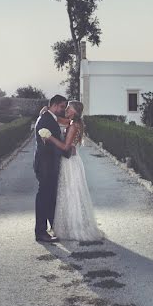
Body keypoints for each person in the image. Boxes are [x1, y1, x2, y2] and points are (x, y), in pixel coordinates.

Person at [44, 100, 103, 241]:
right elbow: (58, 119)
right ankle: (71, 224)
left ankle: (74, 228)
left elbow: (65, 147)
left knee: (70, 192)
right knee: (70, 191)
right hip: (72, 161)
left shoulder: (73, 126)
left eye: (69, 108)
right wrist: (47, 111)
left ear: (75, 111)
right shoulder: (72, 122)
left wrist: (49, 137)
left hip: (69, 162)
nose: (66, 109)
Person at [33, 95, 71, 243]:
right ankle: (40, 232)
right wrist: (67, 151)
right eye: (62, 106)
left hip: (48, 164)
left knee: (49, 198)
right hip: (45, 165)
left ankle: (53, 228)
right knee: (44, 198)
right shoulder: (46, 120)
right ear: (54, 105)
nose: (64, 109)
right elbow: (50, 145)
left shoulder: (48, 117)